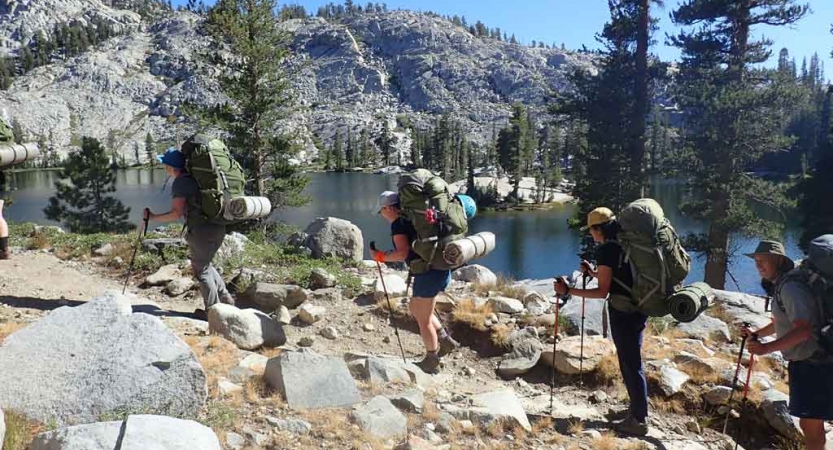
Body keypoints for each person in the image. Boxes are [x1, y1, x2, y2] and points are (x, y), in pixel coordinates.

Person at [553, 207, 648, 436]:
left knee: (630, 363)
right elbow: (618, 277)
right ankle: (636, 409)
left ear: (598, 229)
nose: (591, 235)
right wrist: (594, 272)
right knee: (631, 360)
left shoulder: (607, 250)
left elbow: (603, 291)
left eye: (592, 230)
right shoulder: (623, 243)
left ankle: (639, 420)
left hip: (623, 311)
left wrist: (569, 290)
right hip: (637, 307)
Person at [743, 240, 832, 450]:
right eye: (756, 261)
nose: (758, 266)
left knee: (811, 428)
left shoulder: (790, 288)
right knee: (812, 423)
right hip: (817, 360)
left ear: (779, 260)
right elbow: (782, 322)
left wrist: (766, 348)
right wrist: (757, 334)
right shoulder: (788, 284)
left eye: (763, 261)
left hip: (813, 364)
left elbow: (803, 330)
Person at [373, 190, 460, 373]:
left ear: (389, 208)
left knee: (424, 319)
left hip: (428, 273)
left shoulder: (399, 224)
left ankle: (432, 360)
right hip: (440, 268)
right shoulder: (414, 218)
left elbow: (402, 253)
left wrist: (380, 256)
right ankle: (445, 340)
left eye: (381, 211)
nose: (381, 215)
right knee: (415, 308)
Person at [144, 148, 234, 317]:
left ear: (171, 167)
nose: (164, 167)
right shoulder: (198, 178)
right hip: (218, 226)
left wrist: (153, 217)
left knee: (202, 270)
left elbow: (176, 213)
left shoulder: (181, 183)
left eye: (165, 164)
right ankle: (226, 299)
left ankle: (213, 312)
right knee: (205, 264)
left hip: (201, 230)